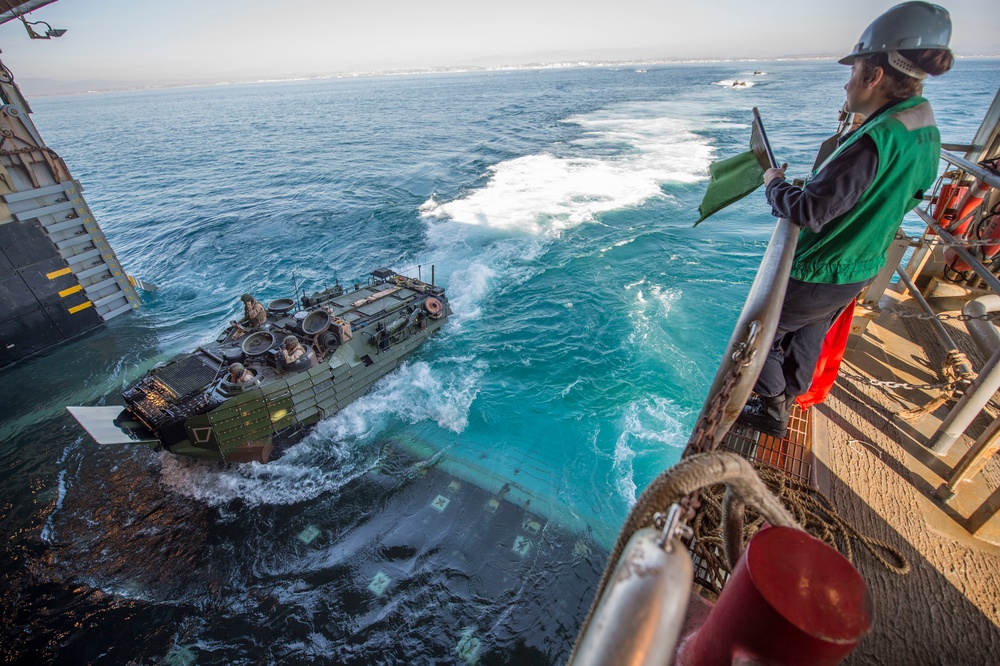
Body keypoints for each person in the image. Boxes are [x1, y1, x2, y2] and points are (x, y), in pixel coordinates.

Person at [738, 1, 954, 438]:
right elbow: (911, 194)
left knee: (754, 337)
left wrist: (772, 182)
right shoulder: (924, 128)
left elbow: (808, 211)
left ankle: (774, 407)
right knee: (807, 335)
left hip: (823, 266)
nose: (847, 81)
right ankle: (791, 397)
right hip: (860, 264)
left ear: (874, 76)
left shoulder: (874, 139)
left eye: (853, 72)